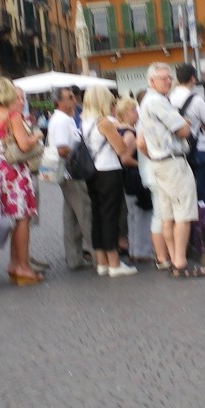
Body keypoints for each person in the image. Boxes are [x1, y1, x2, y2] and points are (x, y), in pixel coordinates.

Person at [139, 62, 205, 278]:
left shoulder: (146, 102)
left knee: (167, 216)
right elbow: (184, 130)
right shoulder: (158, 102)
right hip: (172, 162)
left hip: (159, 162)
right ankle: (180, 261)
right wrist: (183, 123)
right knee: (183, 213)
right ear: (151, 81)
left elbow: (142, 142)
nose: (168, 81)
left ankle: (171, 259)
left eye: (169, 77)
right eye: (163, 78)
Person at [0, 77, 42, 285]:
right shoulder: (12, 115)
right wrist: (36, 136)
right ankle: (23, 267)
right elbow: (25, 145)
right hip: (16, 171)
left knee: (15, 218)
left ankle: (13, 263)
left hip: (1, 170)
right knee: (23, 219)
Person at [81, 86, 135, 277]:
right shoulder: (104, 122)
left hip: (92, 172)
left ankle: (102, 261)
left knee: (97, 215)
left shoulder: (84, 121)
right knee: (110, 216)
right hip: (108, 171)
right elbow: (120, 149)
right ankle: (114, 263)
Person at [47, 87, 93, 270]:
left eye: (73, 97)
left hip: (68, 173)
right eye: (70, 98)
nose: (74, 100)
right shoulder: (61, 120)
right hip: (72, 173)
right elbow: (61, 148)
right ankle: (98, 255)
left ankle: (75, 258)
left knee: (72, 216)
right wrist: (81, 151)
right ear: (59, 102)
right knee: (85, 214)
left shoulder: (65, 119)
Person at [169, 64, 205, 203]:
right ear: (193, 79)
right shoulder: (196, 99)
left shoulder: (169, 99)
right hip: (200, 149)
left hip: (179, 152)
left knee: (187, 194)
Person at [115, 97, 153, 262]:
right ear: (124, 113)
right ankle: (142, 251)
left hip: (128, 179)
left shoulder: (120, 130)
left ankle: (135, 250)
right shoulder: (130, 133)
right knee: (141, 214)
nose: (136, 112)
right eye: (133, 110)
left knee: (134, 215)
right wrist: (144, 163)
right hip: (135, 177)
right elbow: (125, 158)